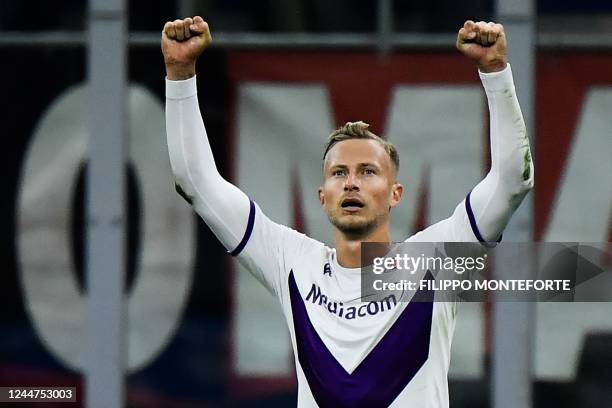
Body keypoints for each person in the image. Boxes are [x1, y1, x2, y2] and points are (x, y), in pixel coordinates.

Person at [162, 16, 534, 408]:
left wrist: (495, 72)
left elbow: (513, 179)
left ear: (395, 194)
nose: (351, 182)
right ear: (323, 196)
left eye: (367, 172)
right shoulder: (291, 261)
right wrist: (181, 74)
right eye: (339, 173)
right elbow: (196, 182)